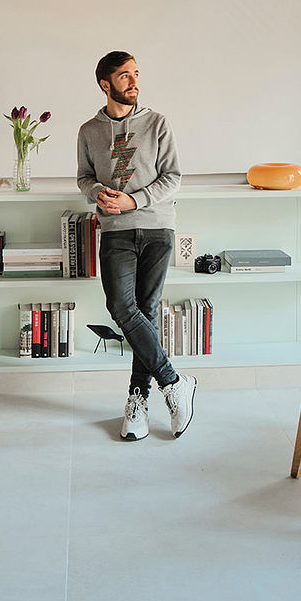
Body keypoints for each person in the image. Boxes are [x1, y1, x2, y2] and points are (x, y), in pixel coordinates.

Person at [77, 51, 196, 441]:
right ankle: (173, 382)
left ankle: (137, 401)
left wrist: (134, 201)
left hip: (158, 226)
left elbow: (173, 177)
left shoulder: (157, 123)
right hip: (115, 230)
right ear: (105, 84)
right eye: (124, 75)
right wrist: (97, 192)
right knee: (122, 308)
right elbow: (84, 177)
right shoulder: (88, 131)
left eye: (136, 74)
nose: (134, 81)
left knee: (145, 310)